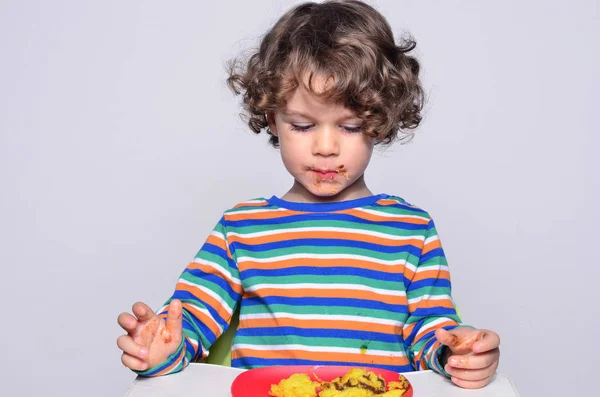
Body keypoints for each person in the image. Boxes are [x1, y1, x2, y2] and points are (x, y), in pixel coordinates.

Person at [116, 0, 500, 389]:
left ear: (380, 122)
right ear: (272, 118)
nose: (326, 147)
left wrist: (459, 353)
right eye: (303, 125)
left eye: (350, 127)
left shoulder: (410, 230)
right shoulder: (242, 229)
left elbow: (431, 329)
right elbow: (191, 319)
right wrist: (162, 349)